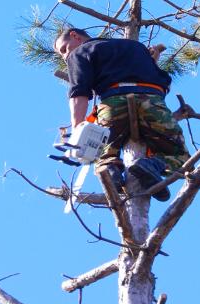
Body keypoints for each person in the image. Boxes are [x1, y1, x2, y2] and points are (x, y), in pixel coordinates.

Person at [54, 28, 189, 201]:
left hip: (114, 103)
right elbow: (161, 78)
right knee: (179, 155)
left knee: (104, 156)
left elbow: (79, 92)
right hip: (152, 100)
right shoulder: (136, 47)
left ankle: (112, 175)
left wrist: (77, 129)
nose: (65, 56)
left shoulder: (80, 52)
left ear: (75, 36)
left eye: (64, 49)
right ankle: (152, 166)